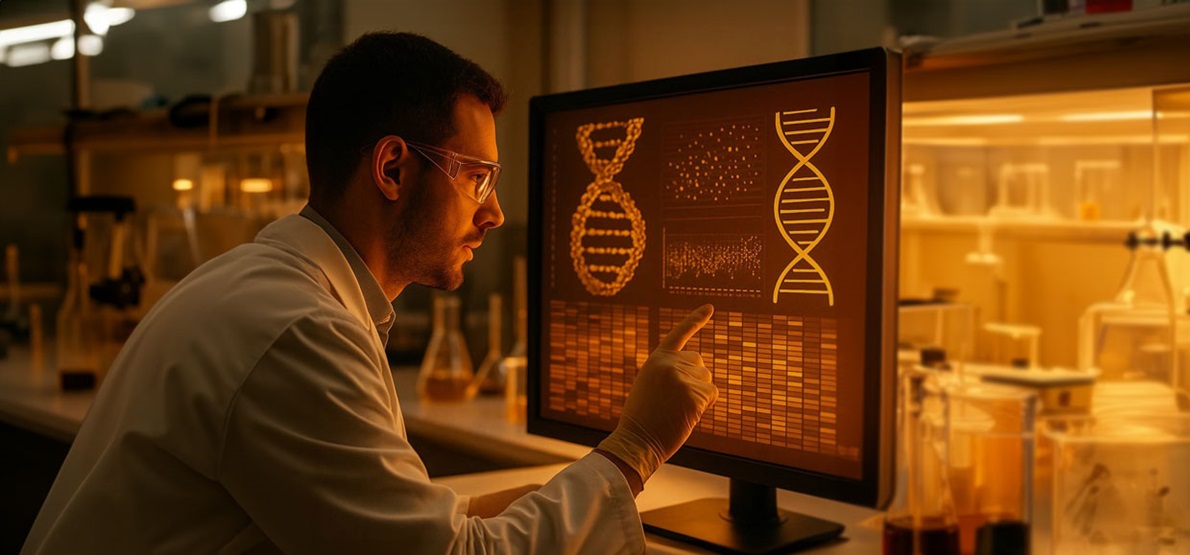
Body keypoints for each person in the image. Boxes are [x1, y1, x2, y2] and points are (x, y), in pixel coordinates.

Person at [22, 32, 719, 554]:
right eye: (477, 176)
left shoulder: (262, 286)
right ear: (392, 167)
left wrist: (545, 497)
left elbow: (401, 522)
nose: (496, 212)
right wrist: (638, 445)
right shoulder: (296, 331)